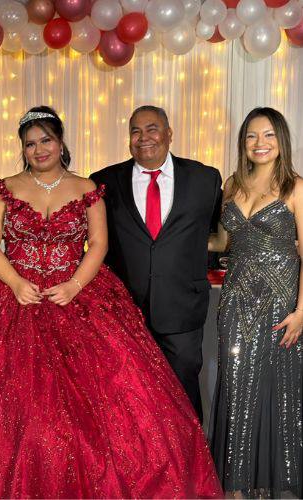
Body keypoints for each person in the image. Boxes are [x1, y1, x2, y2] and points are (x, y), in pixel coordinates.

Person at [0, 106, 222, 499]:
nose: (39, 149)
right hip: (12, 293)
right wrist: (17, 282)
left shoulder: (87, 187)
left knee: (105, 401)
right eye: (30, 144)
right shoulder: (4, 187)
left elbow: (100, 244)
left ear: (60, 142)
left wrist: (74, 285)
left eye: (46, 140)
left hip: (77, 293)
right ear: (23, 149)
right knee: (10, 403)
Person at [90, 105, 222, 421]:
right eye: (135, 131)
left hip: (182, 308)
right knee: (129, 399)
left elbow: (217, 234)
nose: (143, 137)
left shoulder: (205, 178)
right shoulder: (103, 182)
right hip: (124, 311)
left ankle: (190, 464)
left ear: (168, 133)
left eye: (152, 128)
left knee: (183, 395)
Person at [208, 107, 303, 498]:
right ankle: (238, 486)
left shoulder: (296, 188)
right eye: (251, 136)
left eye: (267, 135)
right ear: (242, 142)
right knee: (236, 390)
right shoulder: (231, 184)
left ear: (281, 140)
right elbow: (220, 242)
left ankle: (278, 485)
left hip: (281, 306)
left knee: (278, 394)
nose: (259, 143)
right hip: (235, 302)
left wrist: (302, 312)